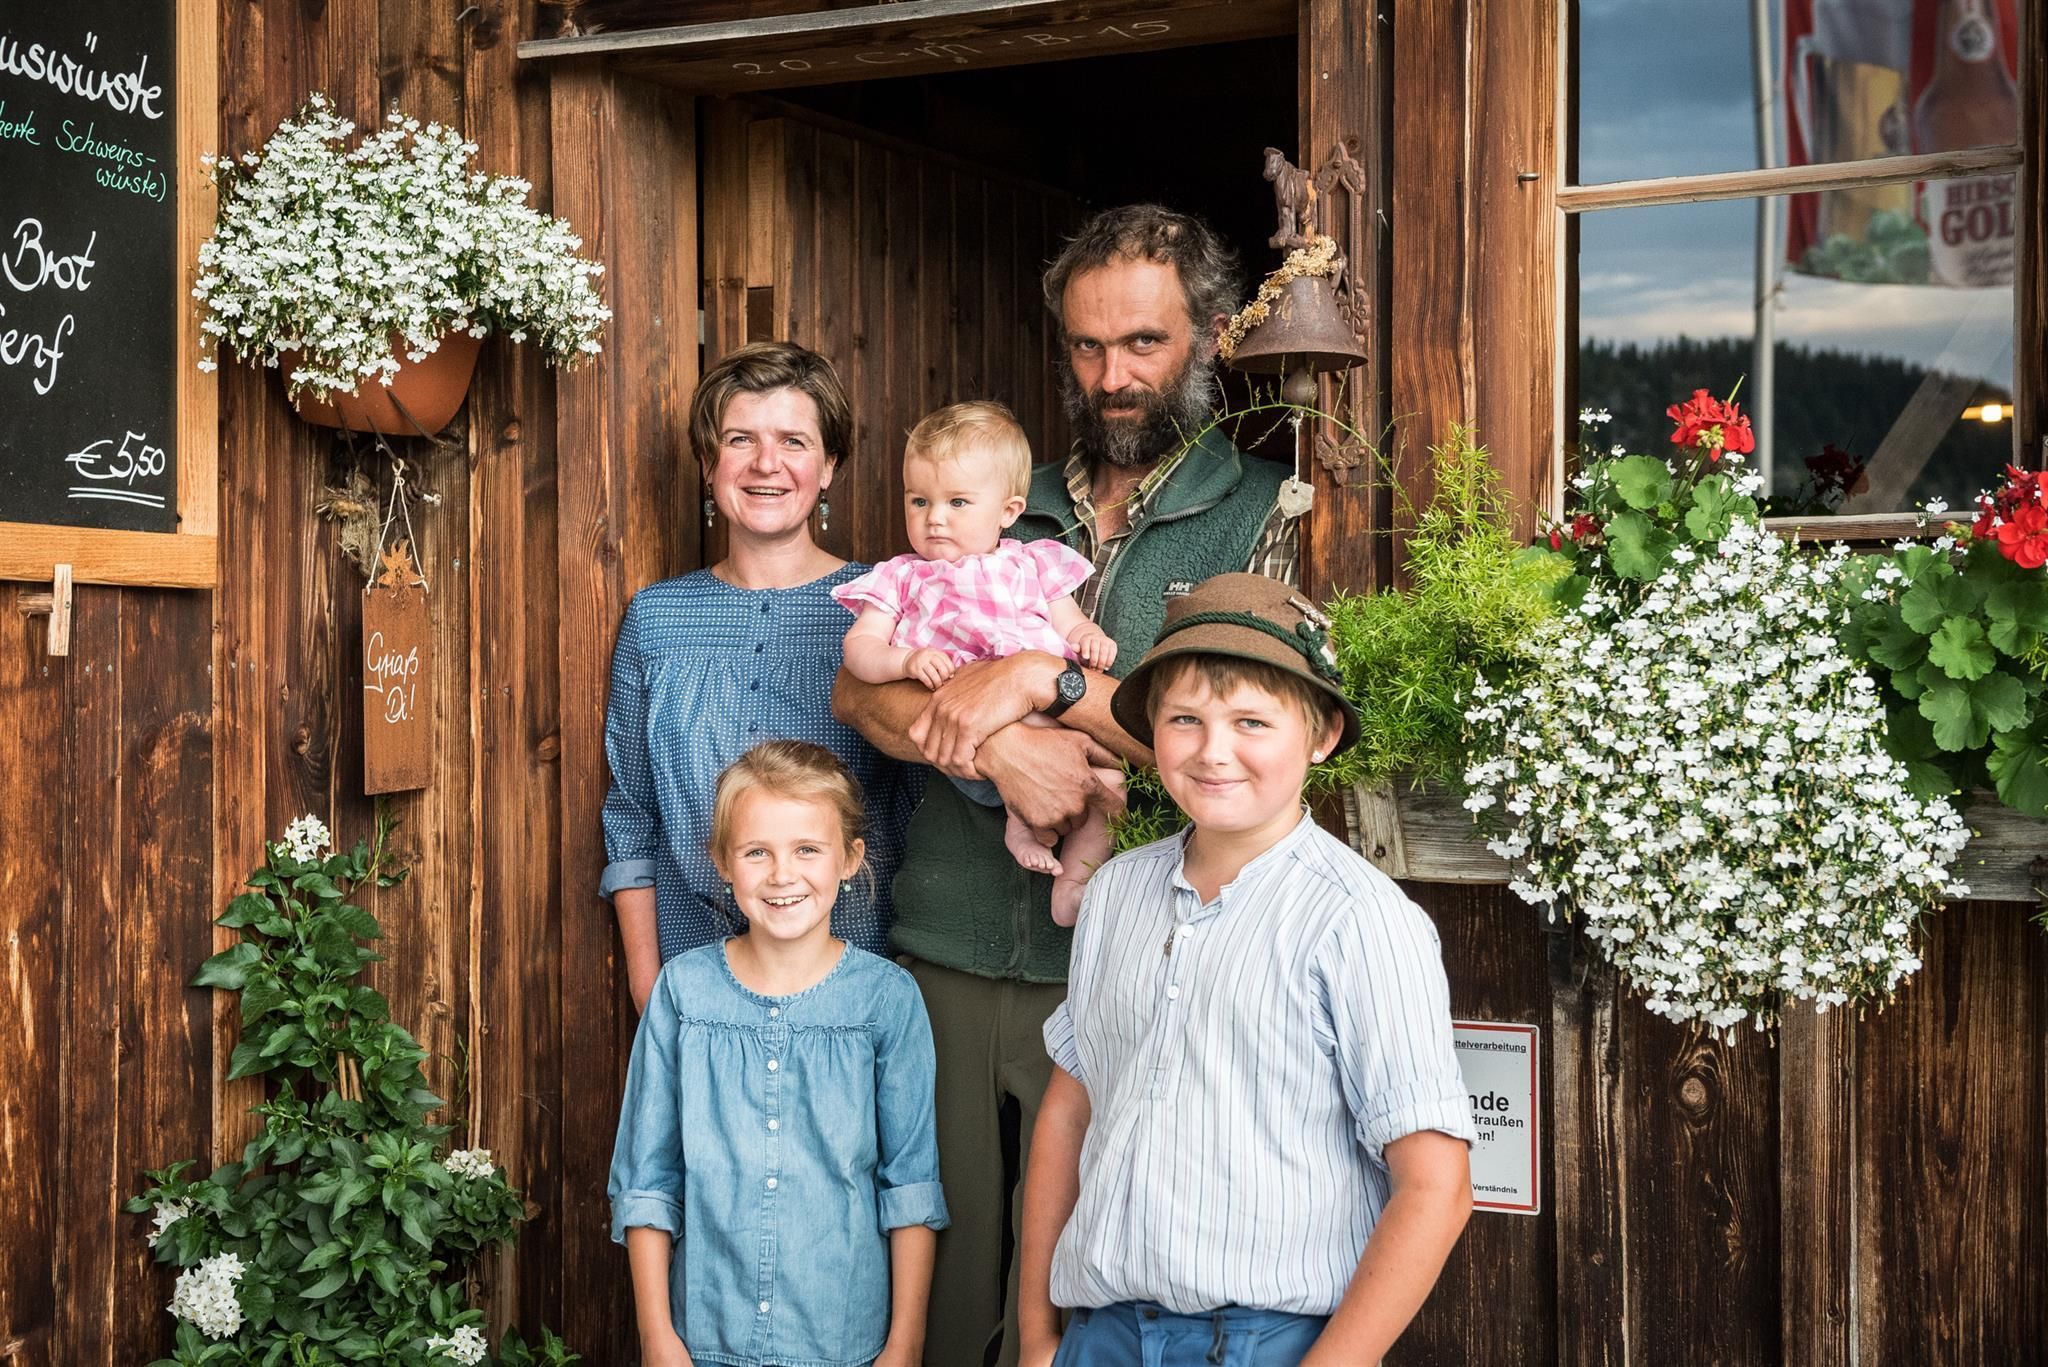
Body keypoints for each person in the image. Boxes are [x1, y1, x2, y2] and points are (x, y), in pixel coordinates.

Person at [832, 204, 1307, 1367]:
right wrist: (992, 741)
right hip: (941, 942)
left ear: (1206, 335)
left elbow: (1234, 745)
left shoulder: (1269, 509)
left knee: (1088, 1287)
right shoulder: (989, 492)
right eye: (1087, 348)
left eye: (1141, 343)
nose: (1111, 376)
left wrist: (1042, 681)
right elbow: (859, 698)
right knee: (935, 1286)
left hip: (1128, 973)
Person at [1017, 575, 1476, 1367]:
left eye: (1252, 722)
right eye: (1184, 718)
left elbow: (1437, 1185)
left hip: (1267, 1341)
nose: (1213, 750)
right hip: (1102, 1335)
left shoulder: (1360, 919)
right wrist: (1037, 1337)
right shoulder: (1118, 891)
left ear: (1322, 733)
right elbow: (1068, 1112)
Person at [609, 740, 949, 1367]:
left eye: (807, 850)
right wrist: (659, 1340)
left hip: (845, 1343)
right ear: (722, 862)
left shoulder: (887, 1000)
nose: (782, 874)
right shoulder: (683, 993)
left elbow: (910, 1186)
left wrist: (904, 1346)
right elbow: (648, 1182)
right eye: (757, 851)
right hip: (706, 1341)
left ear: (850, 859)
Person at [602, 341, 916, 1012]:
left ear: (829, 465)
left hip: (852, 977)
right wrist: (649, 985)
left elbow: (917, 805)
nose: (766, 463)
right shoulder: (656, 619)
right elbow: (632, 817)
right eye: (740, 438)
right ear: (710, 462)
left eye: (794, 441)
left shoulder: (880, 612)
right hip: (695, 980)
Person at [832, 401, 1121, 927]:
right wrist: (906, 659)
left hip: (1054, 716)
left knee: (1110, 787)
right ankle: (1018, 821)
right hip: (966, 733)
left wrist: (1090, 637)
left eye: (957, 501)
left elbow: (1069, 622)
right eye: (918, 500)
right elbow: (859, 653)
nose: (934, 517)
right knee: (1015, 752)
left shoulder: (1029, 563)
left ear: (1008, 511)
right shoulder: (901, 577)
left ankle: (1075, 881)